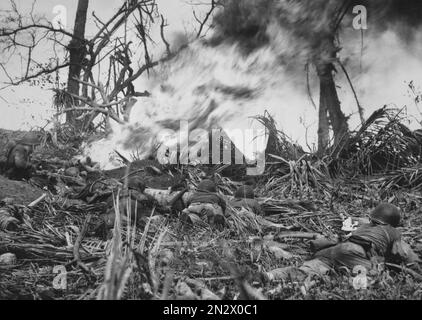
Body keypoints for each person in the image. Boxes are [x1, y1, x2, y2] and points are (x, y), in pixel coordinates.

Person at [265, 203, 420, 281]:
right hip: (354, 253)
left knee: (305, 271)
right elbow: (403, 254)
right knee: (377, 275)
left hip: (335, 250)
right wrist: (416, 268)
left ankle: (270, 275)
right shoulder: (393, 231)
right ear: (393, 221)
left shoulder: (364, 226)